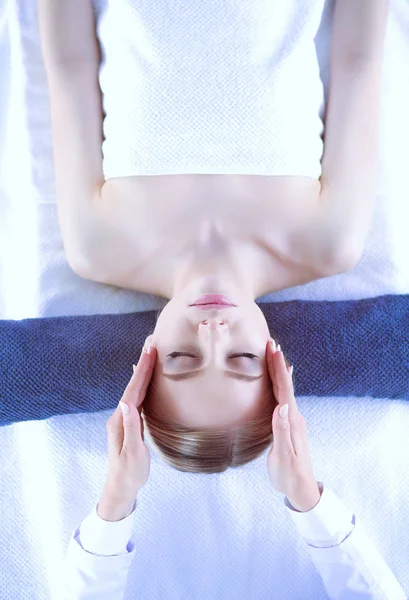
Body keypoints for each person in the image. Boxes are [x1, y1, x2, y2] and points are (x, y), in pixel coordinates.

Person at [38, 0, 406, 598]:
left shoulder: (99, 248)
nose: (212, 334)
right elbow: (360, 60)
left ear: (147, 358)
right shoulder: (326, 242)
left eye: (181, 360)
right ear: (277, 366)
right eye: (240, 362)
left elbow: (70, 62)